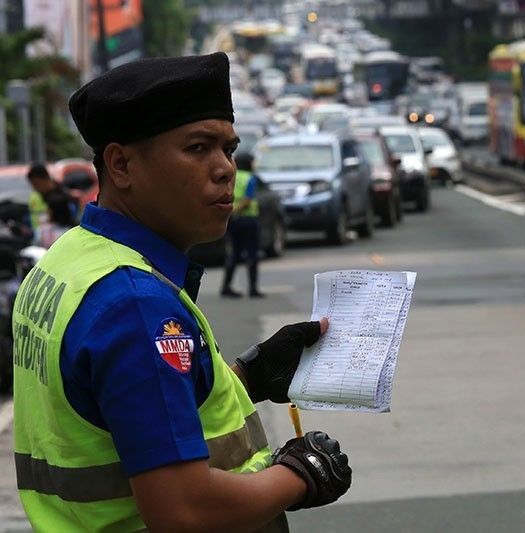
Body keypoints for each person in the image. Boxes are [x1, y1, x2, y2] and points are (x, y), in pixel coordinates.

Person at [13, 53, 351, 532]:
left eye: (229, 150)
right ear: (122, 164)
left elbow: (115, 411)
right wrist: (301, 474)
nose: (224, 169)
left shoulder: (71, 259)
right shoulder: (134, 304)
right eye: (198, 148)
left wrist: (249, 377)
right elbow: (184, 510)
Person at [221, 152, 264, 298]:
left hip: (233, 220)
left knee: (234, 253)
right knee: (252, 254)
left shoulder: (233, 176)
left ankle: (226, 286)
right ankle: (253, 288)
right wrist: (237, 210)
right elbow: (247, 200)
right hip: (248, 220)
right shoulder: (250, 178)